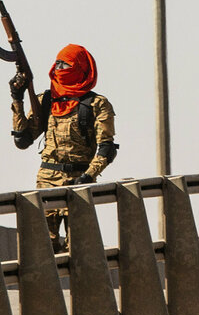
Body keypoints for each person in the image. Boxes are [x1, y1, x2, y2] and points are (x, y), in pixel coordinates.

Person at [10, 44, 118, 253]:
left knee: (78, 250)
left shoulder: (97, 104)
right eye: (57, 63)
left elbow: (106, 149)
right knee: (42, 250)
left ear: (80, 68)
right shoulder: (47, 100)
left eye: (65, 64)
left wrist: (88, 176)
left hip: (78, 181)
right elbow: (22, 140)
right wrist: (17, 98)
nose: (59, 68)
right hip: (47, 182)